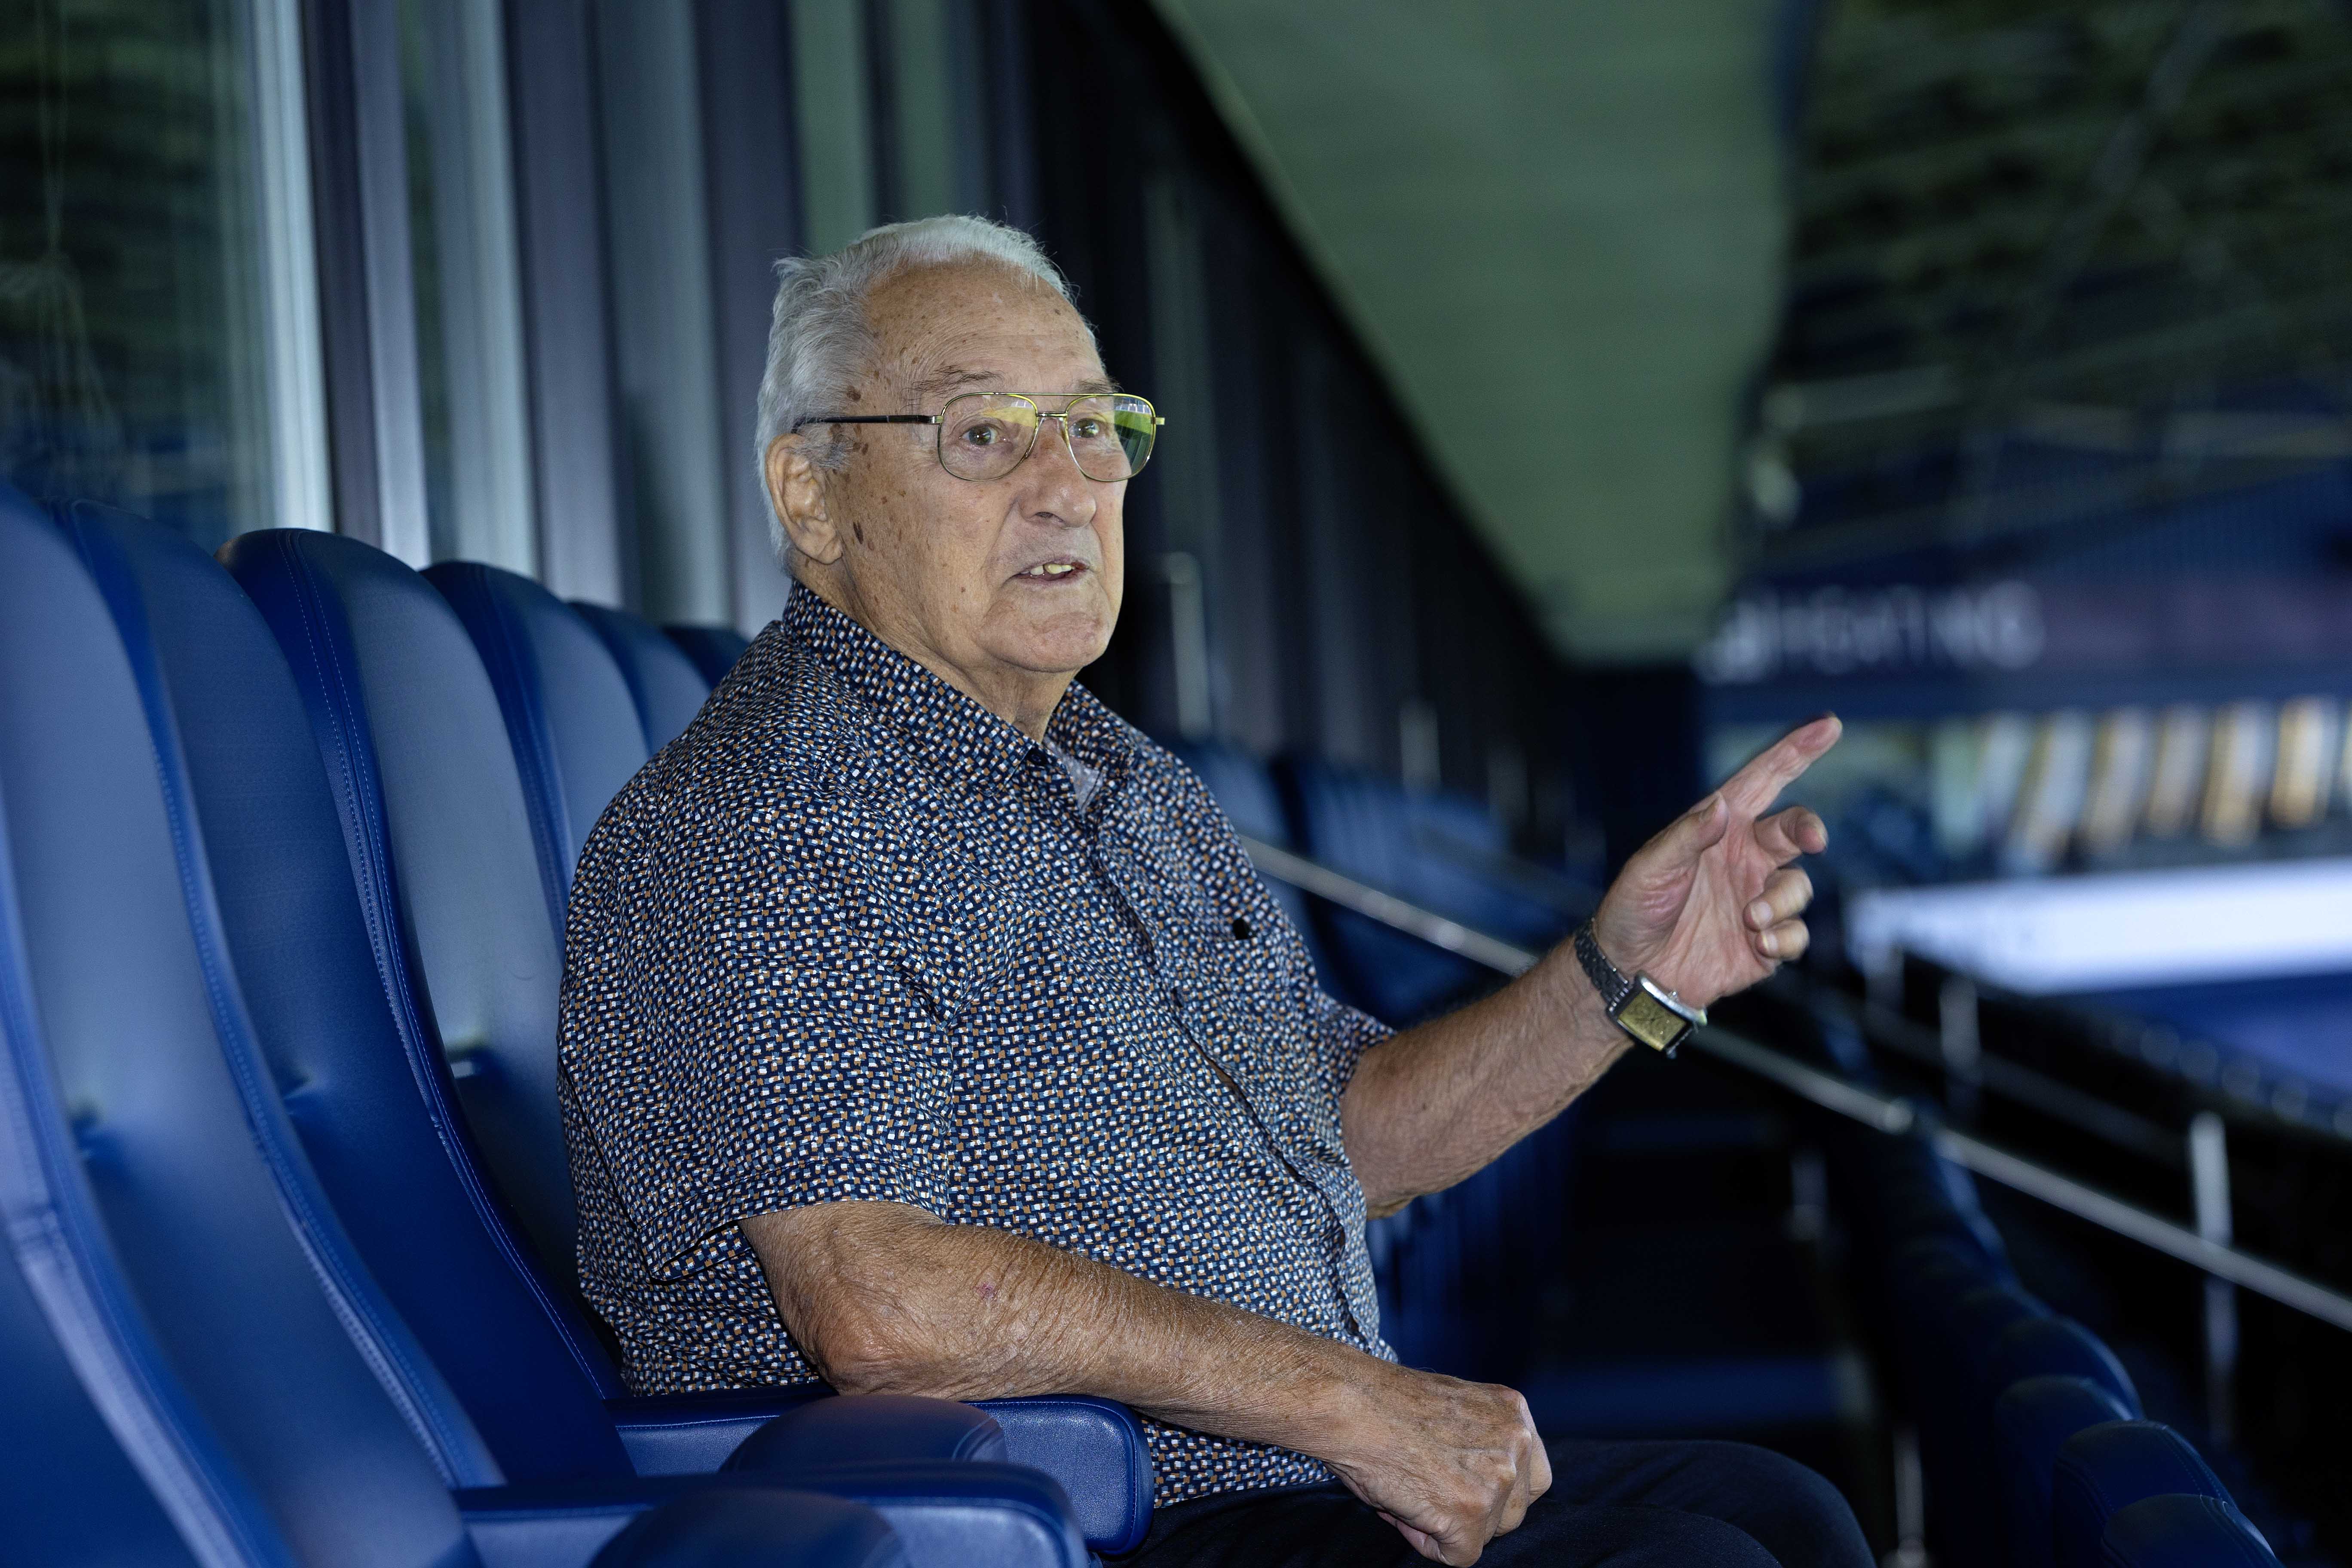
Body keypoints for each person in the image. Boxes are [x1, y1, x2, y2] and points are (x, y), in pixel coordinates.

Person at [560, 214, 1863, 1568]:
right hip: (1086, 1520)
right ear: (815, 496)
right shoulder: (763, 820)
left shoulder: (1125, 783)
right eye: (984, 434)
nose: (1067, 486)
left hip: (1281, 1481)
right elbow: (876, 1301)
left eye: (1092, 428)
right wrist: (1354, 1402)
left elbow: (1347, 1135)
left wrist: (1623, 978)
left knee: (1787, 1513)